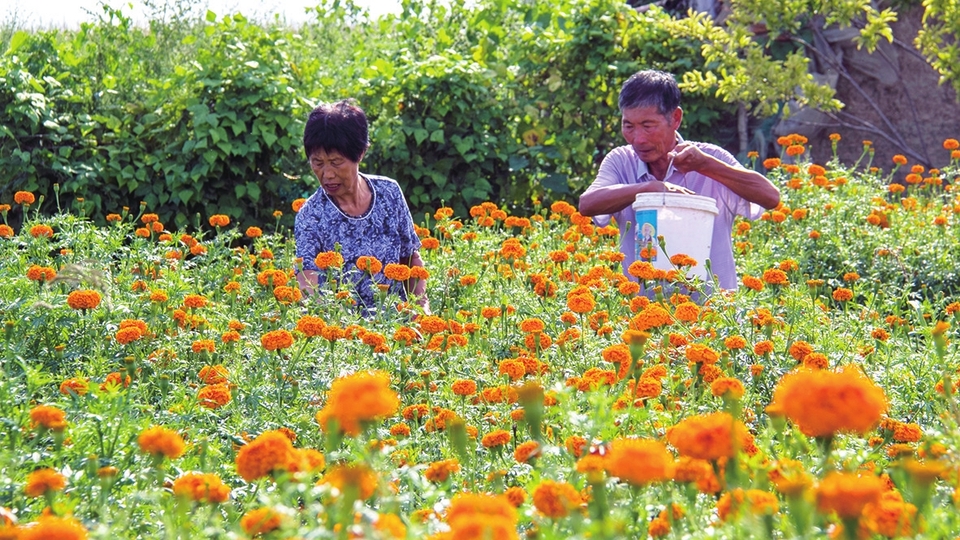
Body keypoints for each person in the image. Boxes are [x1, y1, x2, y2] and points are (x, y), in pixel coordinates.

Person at [578, 70, 780, 290]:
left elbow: (770, 197)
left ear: (675, 118)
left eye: (648, 126)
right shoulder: (620, 161)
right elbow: (587, 204)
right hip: (642, 316)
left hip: (713, 315)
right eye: (629, 126)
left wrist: (706, 166)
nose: (638, 138)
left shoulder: (709, 157)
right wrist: (650, 188)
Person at [294, 99, 429, 314]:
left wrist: (420, 311)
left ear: (360, 154)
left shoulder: (389, 194)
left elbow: (410, 259)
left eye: (336, 162)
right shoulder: (311, 217)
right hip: (346, 332)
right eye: (317, 163)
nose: (327, 174)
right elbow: (308, 285)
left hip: (397, 325)